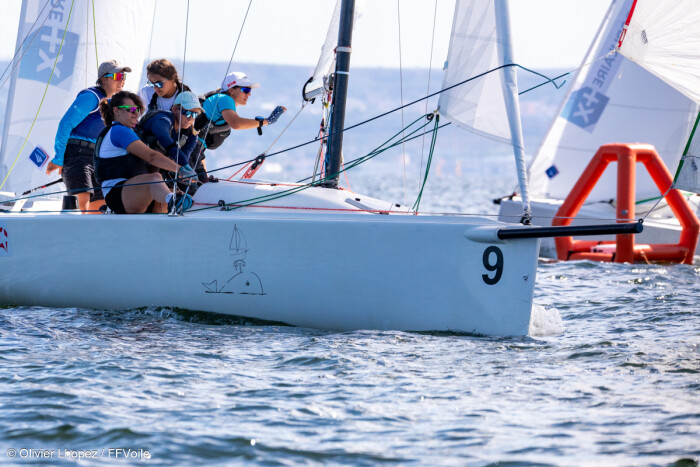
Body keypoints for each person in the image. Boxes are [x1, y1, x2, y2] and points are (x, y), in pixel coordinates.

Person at [46, 59, 131, 213]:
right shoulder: (91, 97)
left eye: (123, 77)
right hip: (77, 156)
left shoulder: (113, 104)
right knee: (83, 206)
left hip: (97, 158)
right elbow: (65, 124)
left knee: (101, 208)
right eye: (118, 76)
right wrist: (59, 158)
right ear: (104, 78)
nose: (122, 81)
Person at [94, 91, 196, 215]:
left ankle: (175, 202)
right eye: (131, 109)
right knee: (155, 179)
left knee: (176, 194)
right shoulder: (119, 130)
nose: (136, 113)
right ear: (116, 111)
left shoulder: (132, 132)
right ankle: (173, 201)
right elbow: (151, 156)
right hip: (117, 194)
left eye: (137, 109)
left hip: (134, 191)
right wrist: (180, 169)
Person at [192, 71, 286, 179]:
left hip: (192, 150)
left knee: (201, 184)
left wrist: (205, 178)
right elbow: (236, 124)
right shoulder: (225, 99)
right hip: (190, 150)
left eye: (249, 91)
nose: (249, 94)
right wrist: (267, 121)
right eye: (245, 90)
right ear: (231, 89)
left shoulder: (221, 102)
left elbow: (200, 147)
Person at [136, 91, 202, 190]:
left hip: (158, 170)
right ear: (174, 109)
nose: (190, 118)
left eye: (194, 114)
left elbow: (183, 158)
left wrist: (187, 172)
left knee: (190, 189)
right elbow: (164, 138)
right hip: (137, 162)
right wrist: (184, 166)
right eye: (186, 112)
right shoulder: (162, 119)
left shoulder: (192, 135)